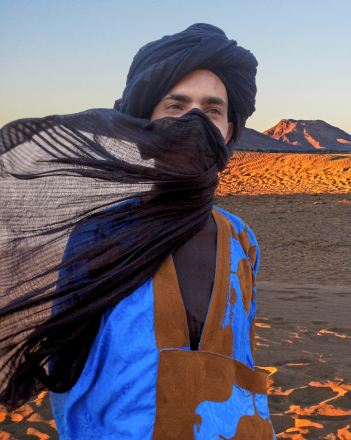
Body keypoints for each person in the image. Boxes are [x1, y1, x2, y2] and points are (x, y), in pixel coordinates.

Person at [0, 24, 273, 438]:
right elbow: (66, 365)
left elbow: (240, 353)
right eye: (175, 107)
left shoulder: (240, 238)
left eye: (212, 110)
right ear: (144, 123)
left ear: (229, 130)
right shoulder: (99, 232)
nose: (194, 122)